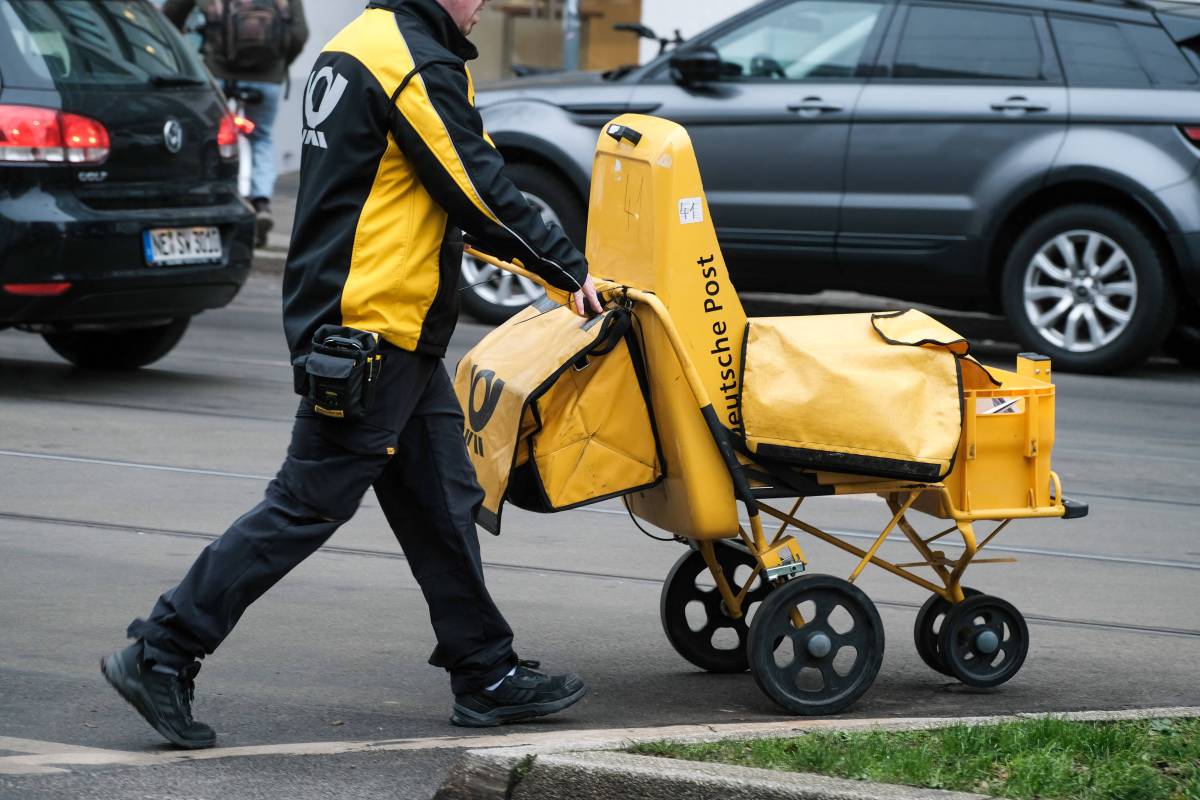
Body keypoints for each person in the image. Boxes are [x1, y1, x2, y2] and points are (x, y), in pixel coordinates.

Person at [101, 0, 603, 749]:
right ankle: (162, 650)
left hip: (384, 328)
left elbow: (406, 189)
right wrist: (568, 269)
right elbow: (475, 184)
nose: (486, 4)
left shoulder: (356, 43)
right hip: (373, 330)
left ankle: (485, 670)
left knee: (441, 502)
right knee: (305, 505)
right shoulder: (411, 60)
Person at [161, 0, 310, 247]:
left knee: (208, 136)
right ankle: (262, 204)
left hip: (218, 73)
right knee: (261, 137)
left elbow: (174, 12)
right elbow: (300, 34)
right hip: (267, 78)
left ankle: (207, 197)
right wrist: (279, 64)